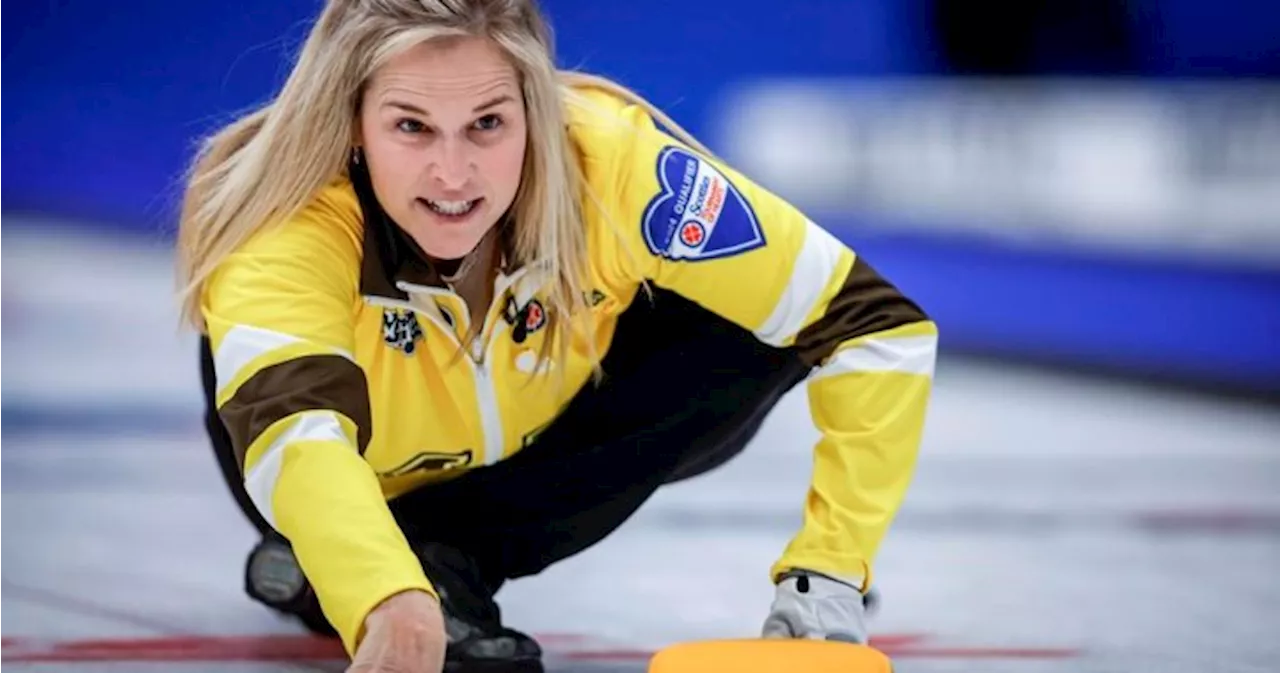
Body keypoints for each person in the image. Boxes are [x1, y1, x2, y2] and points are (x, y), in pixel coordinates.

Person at [175, 1, 939, 671]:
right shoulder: (284, 224)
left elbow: (877, 322)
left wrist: (829, 578)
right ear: (352, 125)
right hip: (343, 457)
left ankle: (440, 558)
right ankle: (354, 558)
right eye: (411, 126)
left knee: (753, 327)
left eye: (488, 124)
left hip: (534, 442)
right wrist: (387, 598)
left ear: (536, 111)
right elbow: (293, 433)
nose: (453, 174)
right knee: (342, 520)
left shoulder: (614, 167)